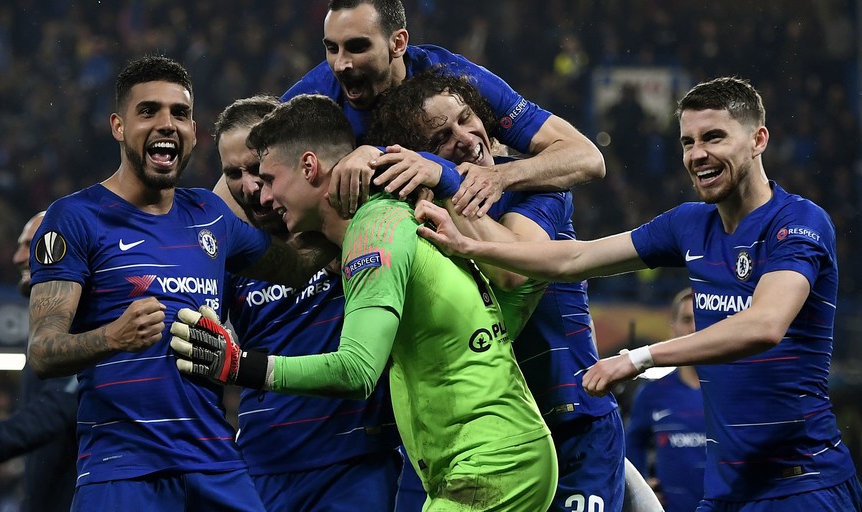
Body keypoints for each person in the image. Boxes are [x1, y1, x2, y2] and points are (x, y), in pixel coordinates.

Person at [414, 76, 862, 511]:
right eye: (688, 142)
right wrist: (473, 245)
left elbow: (764, 326)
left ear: (758, 140)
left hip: (803, 485)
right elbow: (574, 259)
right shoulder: (689, 224)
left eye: (714, 138)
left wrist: (637, 358)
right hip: (725, 490)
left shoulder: (799, 221)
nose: (698, 155)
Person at [171, 93, 558, 511]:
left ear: (308, 166)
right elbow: (522, 287)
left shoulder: (373, 236)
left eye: (269, 179)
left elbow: (356, 371)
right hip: (489, 457)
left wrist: (239, 365)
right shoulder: (395, 218)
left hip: (489, 463)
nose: (261, 197)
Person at [27, 55, 335, 511]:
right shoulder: (74, 218)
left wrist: (356, 209)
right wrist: (113, 336)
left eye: (180, 113)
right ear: (117, 126)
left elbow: (295, 266)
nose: (167, 123)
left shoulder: (212, 216)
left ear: (194, 131)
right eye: (148, 111)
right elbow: (42, 351)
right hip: (122, 469)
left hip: (216, 464)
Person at [364, 71, 627, 512]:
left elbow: (515, 270)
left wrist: (446, 176)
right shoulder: (411, 210)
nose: (467, 138)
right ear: (418, 156)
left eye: (468, 119)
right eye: (443, 137)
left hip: (570, 419)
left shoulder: (538, 185)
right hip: (463, 438)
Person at [210, 0, 604, 220]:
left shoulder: (456, 81)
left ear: (398, 43)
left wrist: (500, 177)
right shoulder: (314, 97)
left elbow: (586, 157)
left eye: (358, 47)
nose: (341, 64)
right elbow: (239, 172)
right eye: (332, 48)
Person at [213, 95, 401, 511]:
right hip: (263, 462)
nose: (250, 186)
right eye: (233, 174)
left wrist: (370, 152)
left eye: (258, 170)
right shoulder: (227, 252)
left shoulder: (355, 223)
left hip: (355, 459)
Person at [0, 211, 77, 512]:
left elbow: (53, 414)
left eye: (29, 245)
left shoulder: (88, 328)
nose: (17, 257)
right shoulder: (48, 328)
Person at [625, 288, 705, 512]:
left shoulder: (732, 391)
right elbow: (632, 443)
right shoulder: (652, 393)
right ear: (674, 329)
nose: (694, 327)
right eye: (687, 319)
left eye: (700, 318)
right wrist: (641, 489)